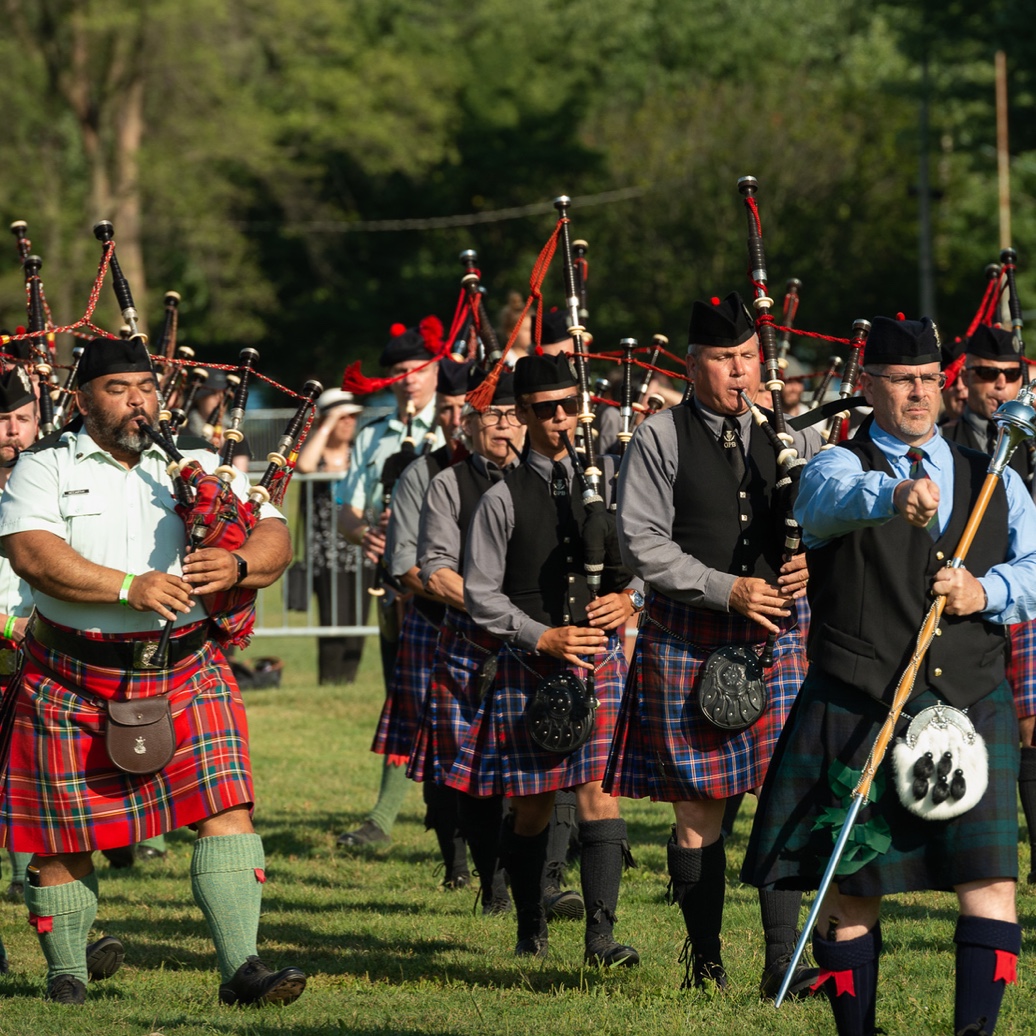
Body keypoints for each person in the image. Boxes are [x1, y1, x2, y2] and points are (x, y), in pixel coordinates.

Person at [742, 315, 1036, 1036]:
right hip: (862, 699)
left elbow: (1033, 566)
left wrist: (985, 593)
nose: (918, 394)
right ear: (868, 384)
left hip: (972, 699)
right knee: (852, 892)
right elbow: (825, 507)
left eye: (930, 380)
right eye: (903, 380)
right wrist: (893, 498)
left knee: (992, 882)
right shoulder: (835, 466)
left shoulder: (990, 473)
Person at [0, 336, 304, 1007]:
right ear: (82, 398)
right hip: (71, 676)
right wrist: (127, 587)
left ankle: (243, 970)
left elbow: (274, 531)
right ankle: (66, 974)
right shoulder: (44, 467)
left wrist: (242, 564)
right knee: (60, 840)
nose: (139, 400)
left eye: (146, 386)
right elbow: (32, 554)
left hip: (186, 669)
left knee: (227, 808)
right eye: (119, 389)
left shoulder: (198, 463)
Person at [605, 291, 820, 998]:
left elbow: (827, 518)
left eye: (749, 358)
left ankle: (784, 960)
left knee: (784, 798)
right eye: (726, 360)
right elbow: (641, 542)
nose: (741, 372)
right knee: (698, 810)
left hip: (778, 639)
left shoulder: (789, 433)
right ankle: (704, 963)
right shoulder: (659, 437)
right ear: (693, 366)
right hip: (691, 635)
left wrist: (811, 557)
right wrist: (727, 588)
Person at [446, 352, 640, 968]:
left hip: (599, 659)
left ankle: (600, 939)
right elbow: (480, 594)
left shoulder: (609, 484)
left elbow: (645, 562)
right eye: (546, 410)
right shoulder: (503, 498)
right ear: (524, 415)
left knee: (598, 793)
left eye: (569, 407)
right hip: (534, 662)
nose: (561, 419)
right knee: (531, 808)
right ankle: (530, 925)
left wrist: (627, 599)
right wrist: (541, 636)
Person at [408, 366, 524, 913]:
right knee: (477, 774)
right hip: (473, 644)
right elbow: (435, 568)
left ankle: (544, 882)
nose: (505, 425)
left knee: (554, 766)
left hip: (544, 642)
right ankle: (491, 884)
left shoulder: (560, 478)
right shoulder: (448, 484)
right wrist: (499, 610)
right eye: (492, 415)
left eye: (513, 414)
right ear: (468, 427)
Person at [335, 319, 443, 848]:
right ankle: (383, 818)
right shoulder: (373, 434)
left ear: (437, 366)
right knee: (403, 698)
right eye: (398, 371)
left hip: (455, 582)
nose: (408, 379)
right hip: (394, 585)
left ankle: (467, 816)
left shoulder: (455, 427)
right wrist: (367, 538)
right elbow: (345, 513)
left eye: (417, 368)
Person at [941, 324, 1036, 883]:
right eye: (985, 374)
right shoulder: (949, 443)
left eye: (1010, 376)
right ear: (966, 378)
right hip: (965, 603)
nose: (998, 386)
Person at [371, 357, 469, 882]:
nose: (456, 418)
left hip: (510, 628)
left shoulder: (516, 470)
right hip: (437, 624)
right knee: (441, 749)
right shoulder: (420, 473)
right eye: (449, 408)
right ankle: (456, 861)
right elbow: (403, 564)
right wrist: (479, 604)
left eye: (465, 408)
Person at [295, 388, 366, 685]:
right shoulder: (318, 453)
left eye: (352, 416)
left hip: (361, 549)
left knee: (359, 620)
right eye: (342, 417)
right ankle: (330, 680)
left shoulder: (359, 453)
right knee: (332, 619)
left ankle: (348, 681)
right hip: (325, 552)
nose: (349, 422)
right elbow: (304, 465)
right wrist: (325, 424)